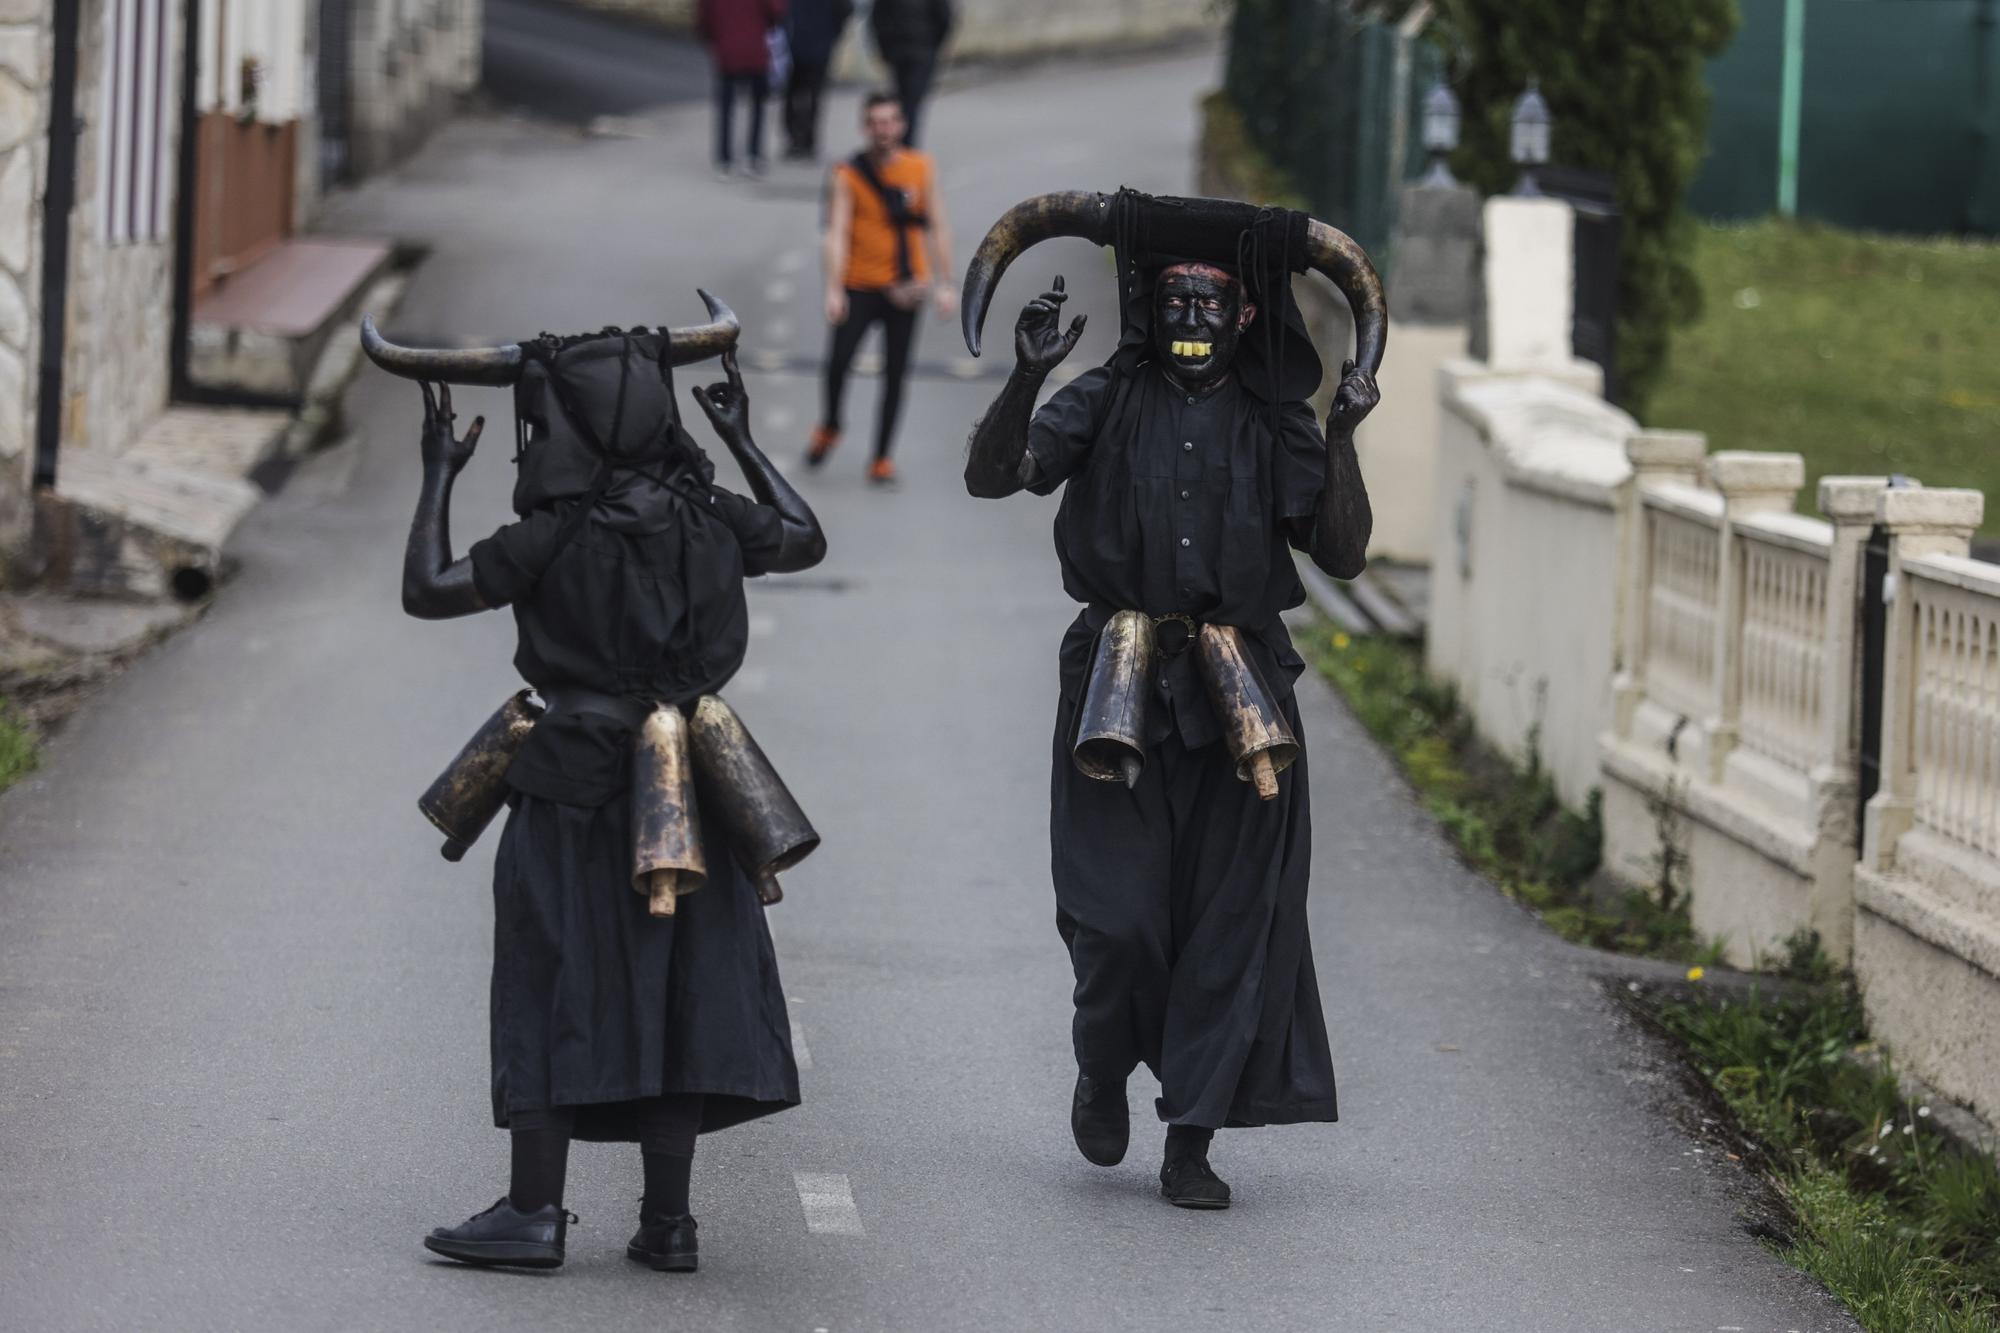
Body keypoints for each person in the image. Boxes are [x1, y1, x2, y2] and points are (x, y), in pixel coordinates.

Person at [371, 306, 826, 1272]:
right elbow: (802, 538)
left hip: (573, 782)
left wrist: (438, 475)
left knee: (549, 971)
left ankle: (534, 1211)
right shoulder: (709, 517)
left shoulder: (549, 534)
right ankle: (669, 1224)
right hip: (698, 786)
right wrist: (740, 441)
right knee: (679, 983)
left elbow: (427, 587)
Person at [958, 189, 1386, 1209]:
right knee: (1115, 921)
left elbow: (1343, 552)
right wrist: (1026, 374)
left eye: (1214, 304)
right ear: (1148, 307)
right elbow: (993, 475)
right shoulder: (1103, 397)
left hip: (1243, 699)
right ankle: (1100, 1065)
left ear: (1244, 317)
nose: (1192, 320)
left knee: (1229, 924)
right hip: (1117, 678)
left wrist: (1339, 432)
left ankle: (1190, 1137)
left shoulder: (1276, 421)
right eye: (1173, 301)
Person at [809, 91, 954, 485]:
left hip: (908, 288)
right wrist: (834, 289)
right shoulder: (847, 174)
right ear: (864, 127)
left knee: (896, 373)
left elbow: (937, 225)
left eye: (890, 121)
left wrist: (945, 283)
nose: (883, 130)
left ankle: (881, 458)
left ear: (902, 126)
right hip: (860, 286)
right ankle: (832, 424)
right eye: (875, 122)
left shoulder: (921, 168)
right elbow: (836, 232)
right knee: (837, 363)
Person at [699, 0, 786, 177]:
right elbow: (776, 11)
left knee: (726, 109)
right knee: (757, 107)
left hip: (727, 51)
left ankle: (724, 159)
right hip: (756, 51)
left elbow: (704, 18)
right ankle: (753, 156)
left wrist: (715, 40)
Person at [867, 0, 952, 147]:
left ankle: (902, 142)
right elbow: (945, 19)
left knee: (905, 100)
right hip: (920, 52)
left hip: (904, 51)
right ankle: (905, 143)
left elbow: (877, 19)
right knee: (911, 102)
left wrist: (884, 47)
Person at [783, 0, 853, 161]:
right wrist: (835, 32)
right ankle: (806, 139)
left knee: (794, 93)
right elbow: (845, 9)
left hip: (797, 41)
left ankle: (797, 138)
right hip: (818, 41)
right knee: (812, 94)